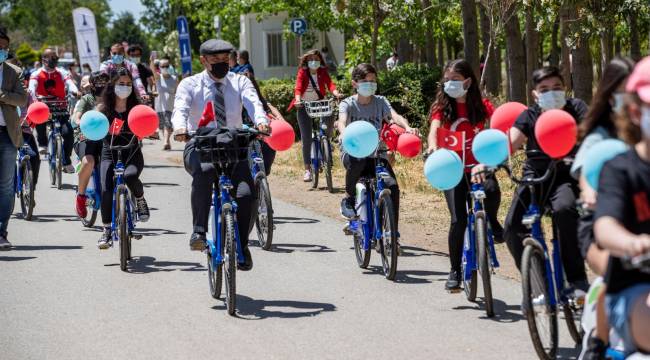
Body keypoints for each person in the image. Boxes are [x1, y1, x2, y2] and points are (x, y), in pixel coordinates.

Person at [171, 39, 269, 271]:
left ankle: (242, 245)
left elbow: (253, 103)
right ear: (203, 61)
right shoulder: (190, 84)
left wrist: (261, 122)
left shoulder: (240, 81)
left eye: (225, 60)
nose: (222, 64)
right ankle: (199, 231)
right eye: (215, 60)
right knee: (204, 173)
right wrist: (180, 128)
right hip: (200, 145)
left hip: (233, 147)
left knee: (245, 193)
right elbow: (180, 108)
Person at [499, 65, 589, 293]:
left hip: (566, 178)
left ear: (565, 88)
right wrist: (488, 162)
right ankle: (538, 280)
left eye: (557, 87)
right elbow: (510, 142)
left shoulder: (577, 108)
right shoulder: (529, 115)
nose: (552, 92)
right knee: (511, 227)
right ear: (535, 94)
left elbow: (592, 136)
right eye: (544, 89)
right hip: (534, 178)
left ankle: (577, 280)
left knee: (564, 211)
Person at [569, 58, 635, 358]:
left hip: (639, 221)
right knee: (618, 271)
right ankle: (596, 343)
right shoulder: (599, 135)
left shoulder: (642, 132)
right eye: (623, 92)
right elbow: (586, 174)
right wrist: (590, 192)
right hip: (598, 222)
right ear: (610, 95)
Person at [427, 59, 503, 291]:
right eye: (447, 80)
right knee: (458, 220)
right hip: (452, 170)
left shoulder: (483, 106)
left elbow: (495, 128)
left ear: (468, 81)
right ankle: (455, 271)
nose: (450, 84)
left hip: (479, 168)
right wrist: (432, 149)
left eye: (456, 80)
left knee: (492, 192)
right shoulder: (441, 108)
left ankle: (492, 222)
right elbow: (433, 131)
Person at [594, 56, 650, 356]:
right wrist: (633, 242)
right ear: (635, 111)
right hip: (633, 290)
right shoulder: (620, 170)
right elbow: (605, 227)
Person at [337, 63, 416, 247]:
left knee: (392, 186)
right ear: (355, 83)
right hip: (353, 152)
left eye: (372, 81)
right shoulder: (347, 103)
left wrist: (407, 127)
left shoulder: (380, 101)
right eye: (365, 81)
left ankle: (392, 234)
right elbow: (341, 121)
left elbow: (394, 116)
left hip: (376, 153)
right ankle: (349, 199)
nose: (369, 85)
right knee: (357, 163)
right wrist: (343, 133)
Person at [96, 68, 150, 249]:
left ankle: (140, 199)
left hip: (132, 152)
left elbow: (148, 121)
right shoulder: (103, 108)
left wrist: (151, 131)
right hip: (108, 152)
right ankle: (106, 230)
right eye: (121, 83)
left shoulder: (137, 107)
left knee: (130, 177)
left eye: (128, 84)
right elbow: (92, 123)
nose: (125, 87)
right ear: (112, 85)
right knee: (106, 187)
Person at [288, 49, 341, 182]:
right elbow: (298, 88)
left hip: (319, 103)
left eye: (316, 60)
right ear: (307, 61)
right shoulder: (302, 72)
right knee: (306, 137)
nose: (314, 62)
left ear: (320, 61)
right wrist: (298, 100)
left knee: (329, 119)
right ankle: (307, 169)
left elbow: (330, 84)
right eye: (311, 59)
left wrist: (336, 93)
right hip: (304, 105)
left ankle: (326, 145)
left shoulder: (323, 72)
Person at [28, 47, 80, 173]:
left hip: (60, 107)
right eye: (52, 58)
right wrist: (33, 96)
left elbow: (69, 83)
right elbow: (32, 86)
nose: (55, 60)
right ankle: (42, 144)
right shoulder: (36, 73)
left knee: (68, 134)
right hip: (43, 107)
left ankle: (66, 161)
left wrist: (74, 91)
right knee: (39, 119)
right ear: (44, 60)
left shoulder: (61, 71)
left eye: (56, 58)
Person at [0, 27, 29, 249]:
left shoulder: (13, 72)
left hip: (7, 135)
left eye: (4, 48)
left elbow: (22, 99)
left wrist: (2, 95)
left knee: (7, 186)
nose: (1, 51)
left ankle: (2, 231)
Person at [73, 71, 109, 219]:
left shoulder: (112, 100)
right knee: (89, 162)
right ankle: (81, 197)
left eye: (105, 82)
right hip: (85, 137)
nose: (102, 85)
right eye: (98, 82)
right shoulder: (87, 99)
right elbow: (77, 116)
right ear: (92, 85)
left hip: (106, 139)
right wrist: (81, 123)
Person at [152, 58, 177, 150]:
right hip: (159, 106)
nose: (165, 68)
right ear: (159, 67)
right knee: (162, 125)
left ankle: (165, 142)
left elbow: (178, 91)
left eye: (167, 66)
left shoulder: (174, 78)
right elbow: (152, 70)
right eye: (163, 66)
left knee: (168, 124)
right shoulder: (158, 77)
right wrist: (151, 61)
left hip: (170, 106)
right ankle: (167, 141)